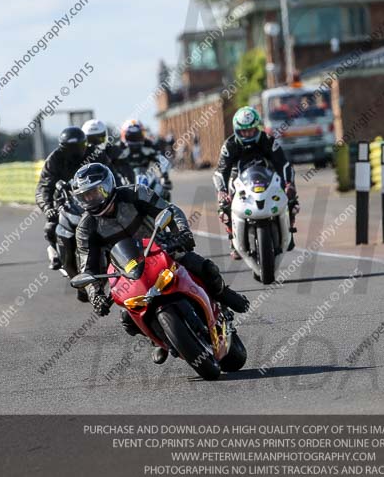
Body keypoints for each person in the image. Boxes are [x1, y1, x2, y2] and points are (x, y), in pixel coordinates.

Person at [73, 163, 249, 364]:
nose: (90, 199)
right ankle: (156, 340)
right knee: (127, 320)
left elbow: (168, 210)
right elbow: (87, 267)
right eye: (85, 196)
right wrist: (96, 295)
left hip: (160, 248)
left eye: (94, 193)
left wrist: (182, 233)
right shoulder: (85, 228)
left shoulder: (135, 193)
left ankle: (223, 294)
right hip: (127, 269)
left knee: (204, 267)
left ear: (107, 185)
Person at [213, 106, 298, 260]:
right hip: (239, 179)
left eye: (251, 130)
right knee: (223, 206)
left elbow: (283, 164)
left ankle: (289, 228)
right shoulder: (230, 145)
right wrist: (222, 191)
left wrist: (289, 184)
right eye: (244, 131)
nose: (248, 134)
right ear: (237, 130)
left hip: (267, 177)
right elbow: (220, 171)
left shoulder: (268, 141)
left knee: (291, 197)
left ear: (257, 128)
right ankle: (233, 238)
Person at [35, 127, 115, 273]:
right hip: (65, 201)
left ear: (85, 144)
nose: (76, 151)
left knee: (119, 216)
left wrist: (117, 192)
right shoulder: (54, 159)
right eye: (71, 148)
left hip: (96, 197)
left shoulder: (96, 154)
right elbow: (43, 188)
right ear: (62, 148)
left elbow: (111, 174)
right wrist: (48, 208)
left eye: (79, 147)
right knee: (51, 227)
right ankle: (57, 253)